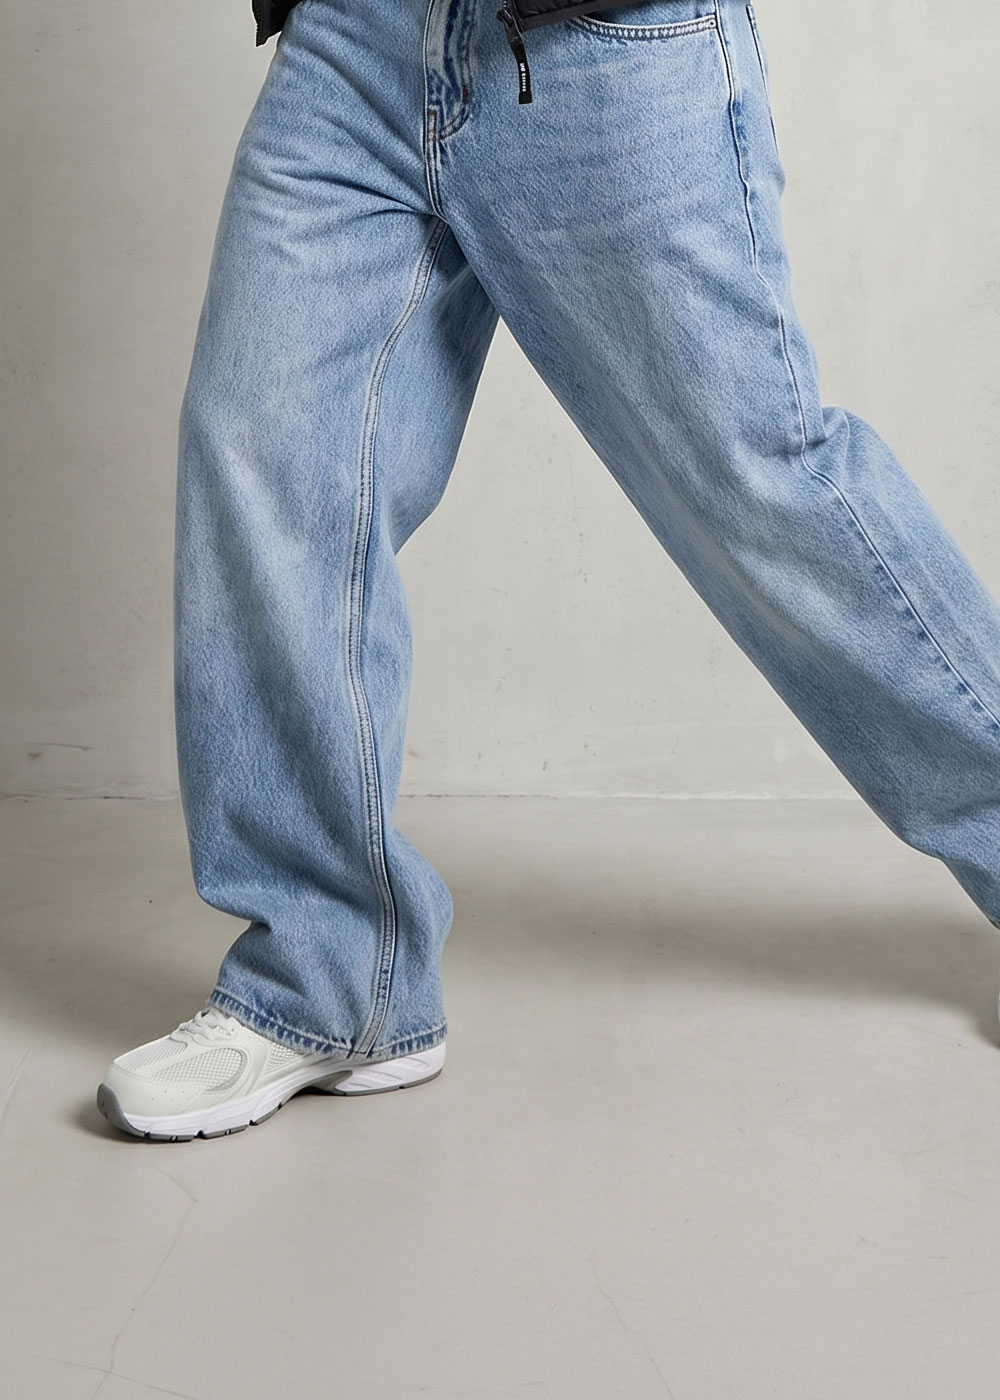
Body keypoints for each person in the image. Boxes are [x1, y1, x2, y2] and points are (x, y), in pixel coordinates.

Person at [96, 0, 1000, 1142]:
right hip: (354, 43)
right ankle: (330, 978)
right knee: (271, 473)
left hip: (607, 54)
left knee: (760, 494)